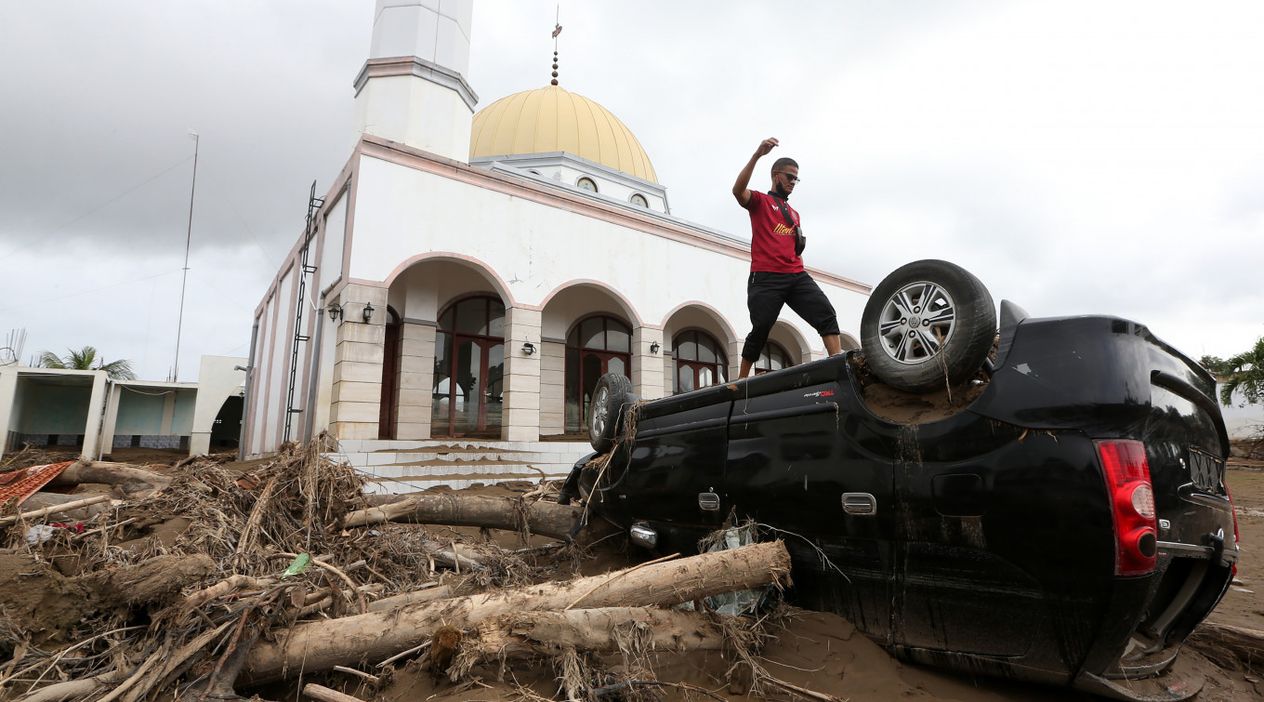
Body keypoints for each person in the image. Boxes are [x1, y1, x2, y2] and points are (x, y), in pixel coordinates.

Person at [732, 137, 842, 379]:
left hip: (795, 275)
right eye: (789, 177)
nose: (793, 182)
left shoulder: (794, 213)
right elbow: (738, 191)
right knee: (761, 327)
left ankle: (838, 363)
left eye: (796, 178)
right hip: (766, 277)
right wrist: (757, 155)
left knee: (825, 312)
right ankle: (741, 380)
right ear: (776, 175)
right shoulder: (760, 201)